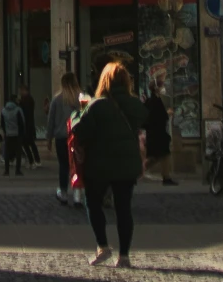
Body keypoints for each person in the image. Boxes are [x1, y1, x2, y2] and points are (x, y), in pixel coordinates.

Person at [73, 62, 147, 268]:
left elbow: (81, 132)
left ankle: (102, 246)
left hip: (99, 164)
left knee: (93, 203)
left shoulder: (96, 105)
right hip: (126, 163)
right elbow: (143, 122)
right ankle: (124, 255)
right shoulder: (135, 104)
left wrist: (81, 111)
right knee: (124, 208)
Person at [46, 72, 82, 206]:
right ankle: (77, 195)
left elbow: (51, 120)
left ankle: (64, 193)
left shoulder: (57, 99)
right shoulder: (82, 98)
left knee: (64, 166)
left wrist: (49, 138)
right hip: (78, 137)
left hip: (61, 137)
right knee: (78, 167)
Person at [144, 76, 176, 186]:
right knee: (158, 156)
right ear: (156, 88)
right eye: (161, 86)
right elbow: (157, 117)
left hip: (157, 134)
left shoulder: (154, 100)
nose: (163, 88)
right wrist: (167, 114)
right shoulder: (153, 101)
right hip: (157, 134)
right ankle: (165, 177)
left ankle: (166, 177)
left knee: (160, 156)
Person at [0, 90, 28, 176]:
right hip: (17, 134)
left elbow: (2, 123)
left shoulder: (4, 111)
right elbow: (22, 122)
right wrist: (22, 133)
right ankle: (17, 170)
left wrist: (5, 131)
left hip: (8, 134)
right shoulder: (18, 110)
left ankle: (6, 170)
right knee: (18, 152)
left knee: (7, 153)